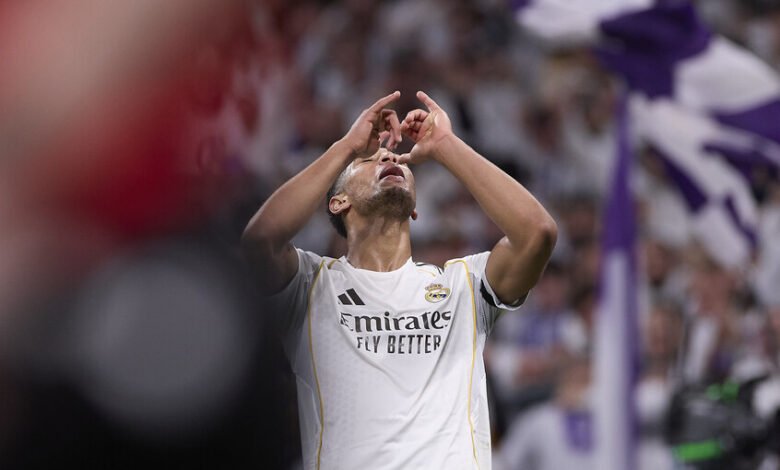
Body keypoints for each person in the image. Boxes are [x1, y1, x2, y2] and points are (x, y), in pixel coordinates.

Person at [242, 90, 557, 469]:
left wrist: (446, 145)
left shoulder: (463, 285)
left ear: (415, 209)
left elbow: (537, 233)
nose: (390, 157)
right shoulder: (311, 286)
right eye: (369, 161)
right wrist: (346, 147)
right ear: (338, 202)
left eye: (396, 158)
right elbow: (260, 242)